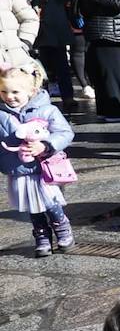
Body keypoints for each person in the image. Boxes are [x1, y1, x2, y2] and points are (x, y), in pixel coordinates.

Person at [1, 61, 75, 256]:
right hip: (18, 169)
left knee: (50, 202)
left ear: (31, 91)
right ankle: (41, 235)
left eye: (15, 92)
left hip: (44, 169)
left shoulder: (47, 110)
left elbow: (65, 133)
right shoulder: (1, 114)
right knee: (32, 206)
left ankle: (62, 227)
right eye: (4, 92)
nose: (9, 97)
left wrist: (46, 145)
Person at [34, 0, 81, 112]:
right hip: (35, 31)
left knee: (60, 65)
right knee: (41, 68)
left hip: (54, 30)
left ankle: (67, 97)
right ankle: (41, 100)